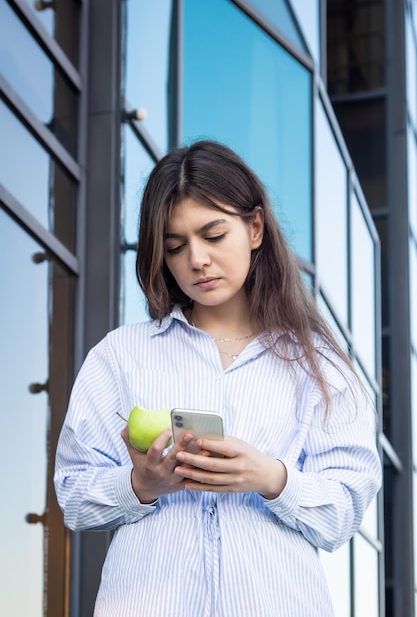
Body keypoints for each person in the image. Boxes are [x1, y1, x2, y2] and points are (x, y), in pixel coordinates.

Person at [54, 140, 382, 617]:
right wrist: (140, 484)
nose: (197, 260)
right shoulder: (121, 355)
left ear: (254, 228)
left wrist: (271, 477)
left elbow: (344, 511)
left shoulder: (321, 365)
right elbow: (74, 496)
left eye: (213, 235)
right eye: (176, 246)